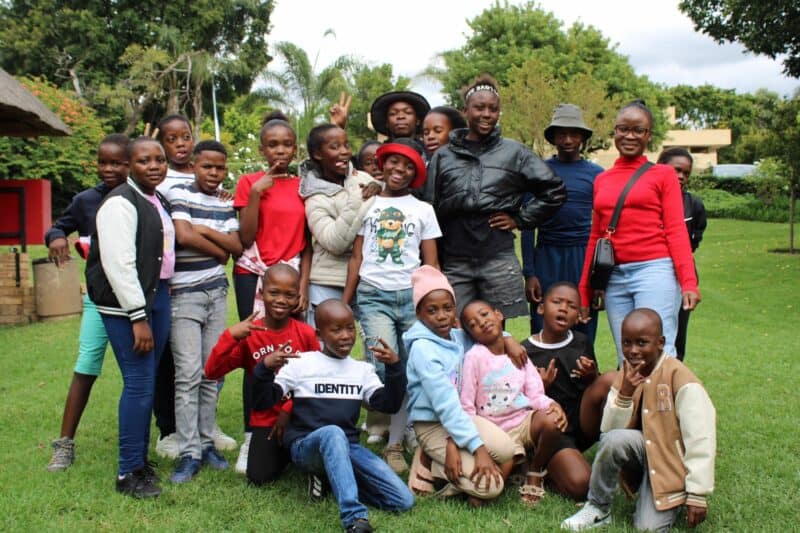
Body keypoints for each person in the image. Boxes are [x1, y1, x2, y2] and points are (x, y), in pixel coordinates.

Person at [251, 299, 414, 533]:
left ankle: (336, 479)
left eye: (349, 328)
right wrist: (265, 367)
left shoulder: (362, 370)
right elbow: (263, 402)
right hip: (306, 446)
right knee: (332, 432)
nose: (345, 336)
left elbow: (389, 405)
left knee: (403, 501)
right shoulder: (301, 364)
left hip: (347, 447)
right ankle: (355, 518)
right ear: (319, 334)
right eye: (336, 330)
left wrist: (395, 367)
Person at [561, 309, 716, 531]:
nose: (633, 350)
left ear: (660, 342)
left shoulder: (681, 379)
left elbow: (701, 438)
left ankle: (674, 492)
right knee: (614, 440)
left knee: (647, 528)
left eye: (642, 343)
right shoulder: (627, 374)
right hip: (644, 449)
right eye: (627, 343)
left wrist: (697, 493)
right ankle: (597, 507)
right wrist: (624, 394)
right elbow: (609, 432)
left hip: (670, 462)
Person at [426, 74, 566, 318]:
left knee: (494, 329)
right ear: (465, 111)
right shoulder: (444, 156)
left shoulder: (515, 152)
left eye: (493, 109)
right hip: (455, 260)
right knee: (452, 326)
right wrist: (432, 261)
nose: (487, 114)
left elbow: (555, 191)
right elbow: (429, 207)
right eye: (479, 107)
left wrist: (520, 219)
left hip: (497, 258)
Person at [342, 138, 440, 473]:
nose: (400, 170)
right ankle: (383, 422)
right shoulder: (368, 203)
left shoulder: (423, 209)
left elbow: (431, 264)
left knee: (412, 368)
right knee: (384, 367)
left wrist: (434, 303)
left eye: (409, 166)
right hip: (374, 294)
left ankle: (400, 437)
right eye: (394, 162)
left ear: (416, 173)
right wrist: (345, 303)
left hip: (411, 297)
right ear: (382, 165)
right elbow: (356, 257)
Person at [578, 100, 700, 366]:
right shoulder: (602, 180)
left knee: (658, 355)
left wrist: (688, 282)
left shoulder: (663, 175)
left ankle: (664, 396)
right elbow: (595, 238)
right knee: (628, 356)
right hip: (615, 277)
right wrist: (585, 289)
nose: (629, 136)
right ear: (615, 132)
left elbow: (676, 230)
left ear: (648, 135)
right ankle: (633, 397)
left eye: (638, 130)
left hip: (654, 272)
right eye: (623, 129)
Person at [85, 136, 175, 498]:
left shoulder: (155, 198)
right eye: (143, 160)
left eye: (159, 159)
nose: (153, 166)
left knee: (147, 382)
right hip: (129, 306)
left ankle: (139, 461)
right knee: (139, 382)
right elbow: (119, 265)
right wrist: (138, 317)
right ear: (129, 166)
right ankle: (128, 472)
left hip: (158, 296)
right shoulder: (119, 203)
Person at [404, 265, 526, 506]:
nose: (442, 316)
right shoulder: (423, 349)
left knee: (506, 450)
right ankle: (431, 462)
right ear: (419, 314)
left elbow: (487, 332)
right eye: (432, 310)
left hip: (463, 418)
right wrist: (478, 449)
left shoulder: (457, 337)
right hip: (432, 425)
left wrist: (508, 338)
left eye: (447, 308)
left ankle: (444, 462)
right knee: (491, 487)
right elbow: (446, 405)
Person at [45, 134, 129, 471]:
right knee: (86, 366)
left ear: (130, 164)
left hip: (135, 301)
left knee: (140, 374)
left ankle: (156, 437)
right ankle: (64, 444)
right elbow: (59, 226)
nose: (108, 169)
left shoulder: (141, 197)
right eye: (103, 162)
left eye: (117, 163)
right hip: (99, 300)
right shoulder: (86, 200)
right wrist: (55, 237)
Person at [232, 116, 311, 473]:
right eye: (273, 144)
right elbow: (245, 237)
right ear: (262, 149)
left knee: (294, 353)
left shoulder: (303, 186)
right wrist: (255, 194)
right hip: (254, 274)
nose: (281, 150)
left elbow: (308, 244)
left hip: (291, 279)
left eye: (287, 144)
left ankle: (289, 426)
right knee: (257, 354)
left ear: (296, 148)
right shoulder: (249, 182)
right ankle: (252, 434)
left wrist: (304, 286)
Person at [164, 140, 242, 483]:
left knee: (213, 369)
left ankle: (207, 442)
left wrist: (206, 231)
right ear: (194, 165)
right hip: (184, 295)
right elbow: (183, 234)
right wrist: (218, 250)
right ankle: (188, 451)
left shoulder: (225, 203)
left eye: (220, 168)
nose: (213, 173)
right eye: (207, 166)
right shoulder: (179, 194)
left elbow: (235, 248)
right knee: (188, 373)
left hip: (216, 292)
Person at [205, 264, 319, 486]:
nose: (281, 300)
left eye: (289, 295)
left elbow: (315, 382)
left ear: (298, 298)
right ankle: (284, 453)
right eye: (274, 292)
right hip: (266, 418)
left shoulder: (305, 333)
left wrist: (288, 410)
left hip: (300, 415)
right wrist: (230, 335)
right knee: (259, 476)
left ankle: (297, 450)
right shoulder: (250, 334)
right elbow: (211, 371)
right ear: (261, 293)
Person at [458, 300, 567, 506]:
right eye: (473, 324)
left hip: (522, 422)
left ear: (499, 315)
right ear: (471, 335)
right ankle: (515, 465)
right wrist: (475, 443)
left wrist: (553, 405)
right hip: (495, 432)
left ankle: (534, 470)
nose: (481, 322)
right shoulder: (474, 357)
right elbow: (467, 405)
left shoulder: (518, 353)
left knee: (552, 419)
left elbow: (535, 394)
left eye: (484, 314)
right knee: (482, 497)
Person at [522, 282, 616, 501]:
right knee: (582, 485)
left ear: (578, 316)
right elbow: (515, 405)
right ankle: (544, 464)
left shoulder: (581, 342)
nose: (563, 308)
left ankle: (624, 456)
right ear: (541, 308)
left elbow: (594, 389)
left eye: (572, 306)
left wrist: (592, 376)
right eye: (556, 302)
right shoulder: (525, 351)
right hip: (554, 430)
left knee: (611, 379)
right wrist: (540, 389)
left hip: (582, 422)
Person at [521, 104, 604, 349]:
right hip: (547, 254)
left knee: (583, 323)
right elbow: (528, 225)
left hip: (582, 255)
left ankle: (581, 370)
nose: (567, 140)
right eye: (561, 134)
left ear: (582, 137)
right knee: (544, 321)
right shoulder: (539, 171)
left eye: (574, 134)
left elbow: (605, 227)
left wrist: (599, 279)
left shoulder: (597, 175)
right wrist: (530, 273)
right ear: (553, 138)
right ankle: (541, 371)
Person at [299, 124, 382, 327]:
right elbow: (334, 242)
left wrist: (380, 187)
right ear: (318, 154)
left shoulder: (363, 178)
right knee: (325, 342)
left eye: (346, 145)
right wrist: (357, 198)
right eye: (335, 147)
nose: (345, 151)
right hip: (328, 281)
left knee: (374, 344)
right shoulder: (314, 196)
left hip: (368, 279)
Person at [657, 148, 707, 361]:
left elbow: (694, 241)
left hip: (679, 274)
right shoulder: (647, 200)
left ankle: (674, 374)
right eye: (676, 170)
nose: (681, 176)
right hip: (647, 271)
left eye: (686, 173)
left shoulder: (693, 205)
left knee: (676, 333)